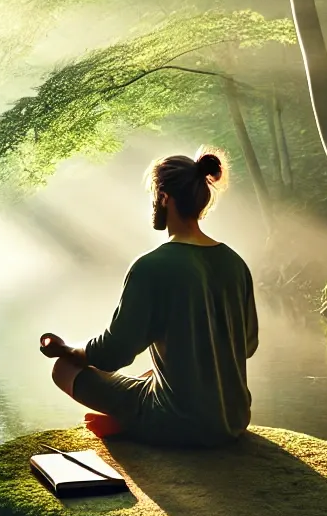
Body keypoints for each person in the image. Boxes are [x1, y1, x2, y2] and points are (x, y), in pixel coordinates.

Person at [41, 149, 258, 447]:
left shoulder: (151, 266)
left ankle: (130, 421)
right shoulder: (235, 262)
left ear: (165, 198)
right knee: (150, 374)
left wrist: (68, 350)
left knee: (64, 369)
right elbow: (247, 346)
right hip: (233, 420)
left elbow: (112, 354)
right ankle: (128, 418)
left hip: (177, 424)